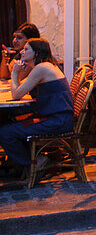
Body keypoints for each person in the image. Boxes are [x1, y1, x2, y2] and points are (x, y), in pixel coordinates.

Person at [0, 39, 73, 176]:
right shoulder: (43, 66)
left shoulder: (42, 68)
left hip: (57, 121)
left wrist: (15, 73)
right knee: (7, 123)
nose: (22, 51)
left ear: (37, 52)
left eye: (26, 49)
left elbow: (16, 93)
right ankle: (25, 163)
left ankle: (34, 163)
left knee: (5, 132)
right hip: (55, 117)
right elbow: (21, 86)